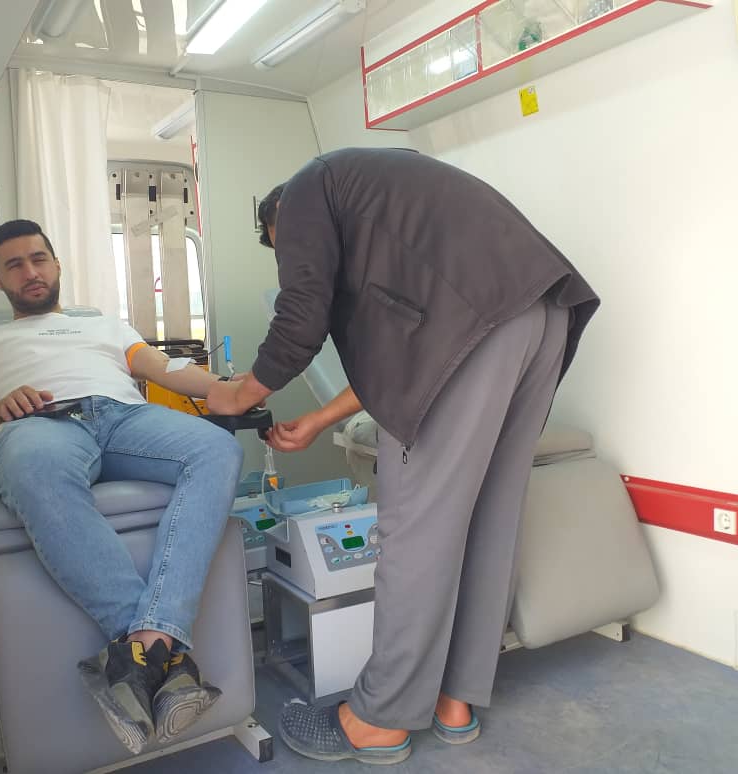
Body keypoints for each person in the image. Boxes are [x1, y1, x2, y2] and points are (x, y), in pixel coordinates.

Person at [206, 148, 599, 765]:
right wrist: (320, 419)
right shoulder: (389, 202)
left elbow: (301, 316)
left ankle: (380, 719)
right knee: (490, 519)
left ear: (281, 222)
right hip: (543, 311)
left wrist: (240, 394)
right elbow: (411, 353)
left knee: (416, 532)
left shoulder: (307, 189)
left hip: (478, 328)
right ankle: (454, 699)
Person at [0, 219, 243, 754]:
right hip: (38, 423)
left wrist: (227, 389)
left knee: (217, 448)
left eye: (38, 259)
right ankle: (160, 650)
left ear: (57, 264)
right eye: (14, 265)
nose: (30, 271)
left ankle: (140, 652)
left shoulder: (106, 326)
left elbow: (166, 369)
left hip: (124, 418)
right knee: (32, 467)